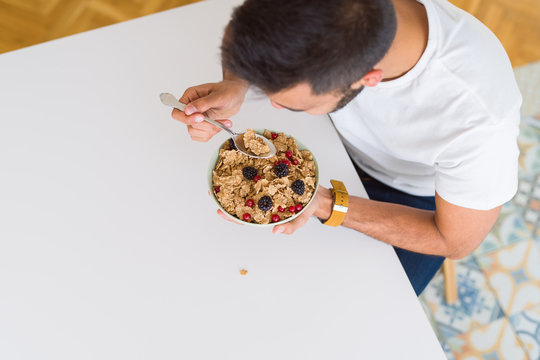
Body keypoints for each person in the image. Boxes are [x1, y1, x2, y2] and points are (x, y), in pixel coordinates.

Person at [171, 0, 522, 295]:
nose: (273, 107)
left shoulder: (479, 117)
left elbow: (454, 241)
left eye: (294, 106)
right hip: (338, 141)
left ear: (369, 79)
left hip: (415, 196)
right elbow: (241, 26)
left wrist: (320, 202)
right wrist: (236, 82)